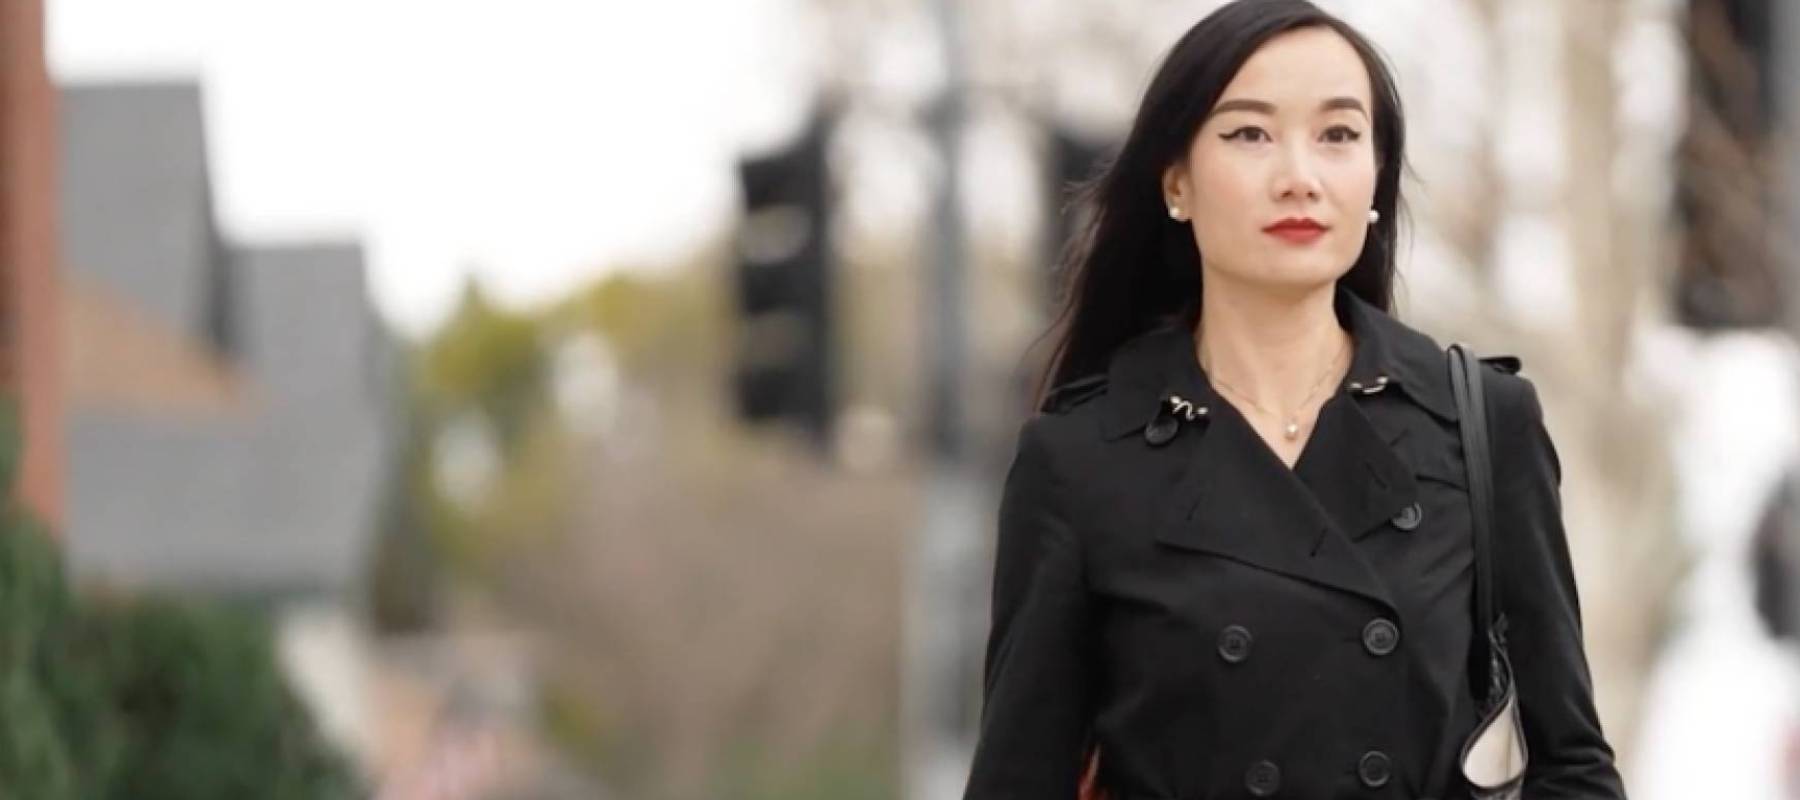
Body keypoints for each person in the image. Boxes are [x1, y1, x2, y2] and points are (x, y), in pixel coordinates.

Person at [960, 1, 1628, 798]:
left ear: (1376, 176)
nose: (1299, 177)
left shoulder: (1481, 423)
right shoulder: (1080, 458)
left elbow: (1574, 766)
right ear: (1176, 181)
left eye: (1339, 135)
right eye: (1250, 134)